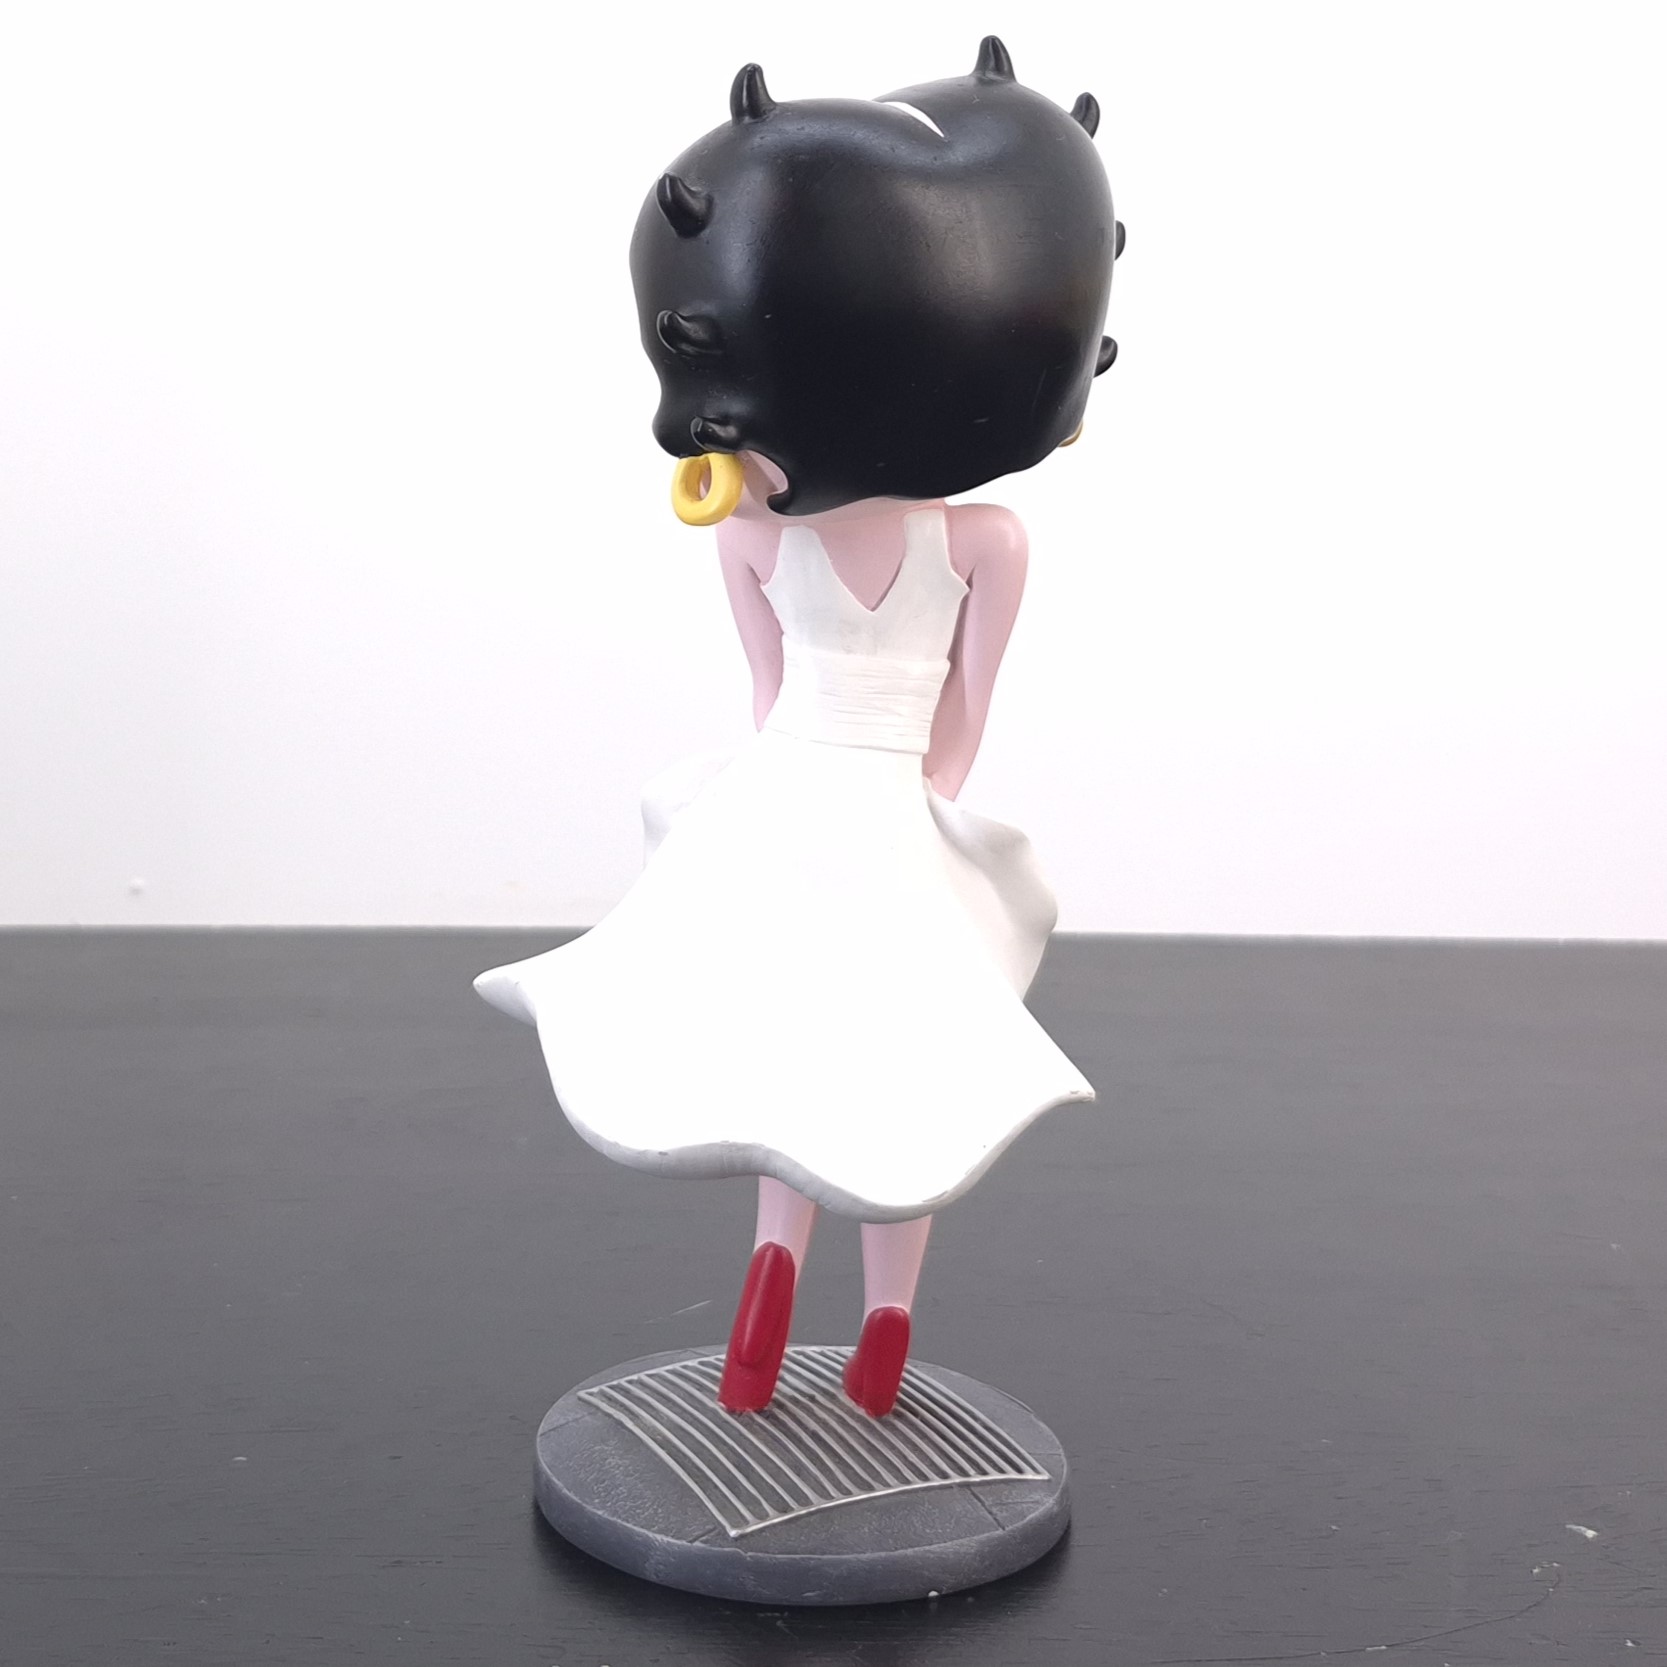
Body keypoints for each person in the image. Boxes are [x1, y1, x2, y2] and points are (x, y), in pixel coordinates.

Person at [476, 37, 1121, 1418]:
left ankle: (770, 1280)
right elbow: (967, 715)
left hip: (784, 791)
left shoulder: (757, 540)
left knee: (792, 1067)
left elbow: (766, 696)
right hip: (888, 800)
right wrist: (923, 805)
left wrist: (788, 793)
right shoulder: (987, 542)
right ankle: (885, 1325)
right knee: (900, 1086)